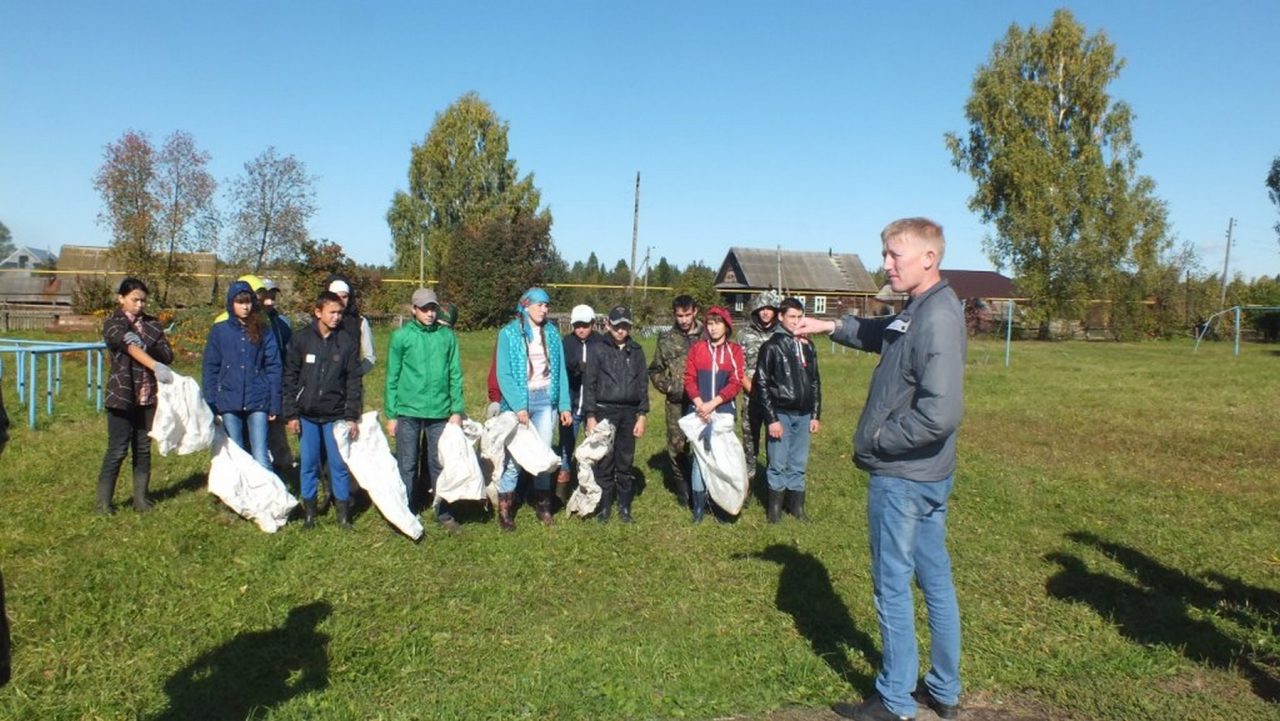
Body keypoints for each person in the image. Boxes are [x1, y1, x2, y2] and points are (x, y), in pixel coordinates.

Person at [799, 219, 965, 721]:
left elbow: (940, 413)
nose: (886, 264)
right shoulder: (919, 309)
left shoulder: (936, 317)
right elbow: (881, 334)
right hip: (926, 475)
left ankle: (895, 701)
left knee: (892, 584)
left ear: (928, 258)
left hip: (904, 478)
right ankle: (942, 688)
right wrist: (829, 325)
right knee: (934, 578)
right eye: (885, 254)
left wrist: (877, 440)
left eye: (895, 255)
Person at [385, 288, 464, 532]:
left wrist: (457, 409)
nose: (430, 313)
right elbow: (392, 377)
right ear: (414, 310)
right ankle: (405, 511)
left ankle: (442, 511)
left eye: (433, 308)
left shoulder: (446, 337)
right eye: (424, 309)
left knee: (438, 463)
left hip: (440, 412)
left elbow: (455, 374)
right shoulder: (401, 337)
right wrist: (391, 414)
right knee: (407, 464)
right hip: (408, 410)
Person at [283, 291, 364, 529]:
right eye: (332, 312)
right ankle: (310, 513)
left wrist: (351, 416)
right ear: (318, 313)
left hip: (335, 416)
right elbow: (290, 378)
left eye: (340, 312)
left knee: (338, 465)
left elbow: (353, 381)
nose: (337, 317)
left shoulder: (347, 342)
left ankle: (343, 515)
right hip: (306, 416)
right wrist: (291, 414)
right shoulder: (301, 340)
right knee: (308, 463)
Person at [493, 287, 572, 530]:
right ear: (525, 305)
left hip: (545, 400)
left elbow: (560, 372)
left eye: (547, 305)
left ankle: (543, 506)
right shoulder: (508, 334)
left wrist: (564, 405)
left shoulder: (552, 333)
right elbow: (503, 373)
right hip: (519, 403)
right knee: (516, 458)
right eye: (540, 305)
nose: (544, 309)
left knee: (543, 455)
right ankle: (505, 510)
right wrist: (519, 406)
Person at [96, 278, 175, 514]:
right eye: (134, 299)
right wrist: (152, 362)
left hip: (148, 396)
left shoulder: (152, 325)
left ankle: (141, 499)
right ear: (121, 298)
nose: (140, 304)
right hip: (122, 395)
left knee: (143, 448)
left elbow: (167, 353)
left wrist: (148, 347)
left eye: (143, 300)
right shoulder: (113, 323)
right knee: (118, 449)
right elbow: (126, 346)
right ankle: (103, 503)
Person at [202, 280, 283, 471]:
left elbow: (273, 366)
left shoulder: (263, 329)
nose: (245, 307)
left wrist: (274, 403)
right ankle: (239, 497)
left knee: (261, 453)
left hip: (258, 399)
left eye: (248, 302)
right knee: (236, 453)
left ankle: (271, 496)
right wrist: (211, 402)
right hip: (229, 399)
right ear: (231, 304)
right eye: (240, 302)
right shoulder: (220, 331)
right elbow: (211, 368)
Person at [753, 297, 821, 523]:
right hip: (781, 413)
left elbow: (815, 381)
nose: (796, 321)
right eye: (792, 316)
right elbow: (761, 383)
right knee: (778, 463)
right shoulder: (772, 346)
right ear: (781, 317)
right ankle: (774, 512)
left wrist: (815, 414)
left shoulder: (808, 346)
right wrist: (771, 419)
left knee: (798, 463)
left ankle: (796, 508)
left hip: (803, 414)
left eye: (800, 316)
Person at [582, 305, 648, 523]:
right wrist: (590, 415)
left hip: (629, 412)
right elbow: (589, 384)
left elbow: (642, 385)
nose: (621, 331)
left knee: (625, 460)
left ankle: (624, 507)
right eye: (617, 326)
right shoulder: (598, 349)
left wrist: (642, 415)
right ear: (608, 325)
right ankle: (605, 507)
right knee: (605, 460)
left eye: (625, 326)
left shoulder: (636, 351)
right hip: (604, 411)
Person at [682, 305, 746, 522]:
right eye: (710, 323)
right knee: (700, 460)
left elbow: (736, 382)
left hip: (723, 413)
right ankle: (698, 508)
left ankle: (722, 504)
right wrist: (700, 404)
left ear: (726, 326)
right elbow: (689, 379)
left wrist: (714, 403)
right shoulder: (698, 349)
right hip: (699, 413)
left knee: (722, 459)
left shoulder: (734, 351)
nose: (714, 328)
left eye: (718, 323)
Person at [647, 294, 702, 509]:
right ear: (674, 315)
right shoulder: (667, 339)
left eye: (687, 315)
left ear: (695, 312)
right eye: (679, 316)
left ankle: (703, 489)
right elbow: (655, 370)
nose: (684, 320)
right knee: (677, 447)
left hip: (702, 402)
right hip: (677, 403)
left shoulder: (707, 335)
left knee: (702, 446)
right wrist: (669, 387)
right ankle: (684, 491)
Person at [738, 289, 784, 493]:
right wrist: (754, 391)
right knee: (750, 443)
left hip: (776, 399)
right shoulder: (744, 334)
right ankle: (748, 485)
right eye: (762, 308)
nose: (765, 312)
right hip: (751, 397)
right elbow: (737, 366)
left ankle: (774, 488)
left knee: (776, 443)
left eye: (770, 309)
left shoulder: (782, 334)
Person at [557, 304, 602, 502]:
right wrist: (578, 367)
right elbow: (562, 368)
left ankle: (590, 487)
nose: (581, 329)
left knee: (594, 446)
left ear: (593, 324)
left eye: (585, 325)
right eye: (577, 326)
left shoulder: (601, 343)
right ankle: (561, 488)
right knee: (567, 446)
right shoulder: (567, 343)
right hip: (573, 403)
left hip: (594, 405)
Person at [260, 278, 295, 476]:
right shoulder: (252, 323)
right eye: (266, 297)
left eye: (273, 297)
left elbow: (289, 352)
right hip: (257, 381)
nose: (270, 302)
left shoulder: (283, 323)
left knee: (276, 424)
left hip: (277, 380)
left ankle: (283, 462)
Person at [325, 275, 375, 376]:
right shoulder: (320, 321)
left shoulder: (360, 322)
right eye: (336, 296)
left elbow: (370, 357)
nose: (340, 300)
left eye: (344, 297)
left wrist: (355, 375)